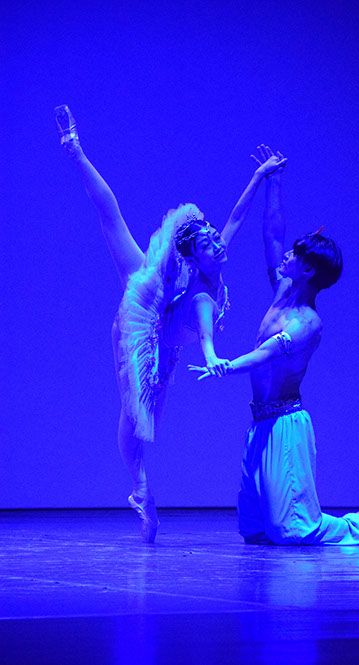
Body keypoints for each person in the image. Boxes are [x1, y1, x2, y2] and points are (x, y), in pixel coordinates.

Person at [55, 108, 286, 542]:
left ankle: (141, 487)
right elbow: (206, 334)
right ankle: (75, 149)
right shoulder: (201, 297)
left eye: (215, 239)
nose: (218, 244)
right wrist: (214, 359)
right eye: (208, 243)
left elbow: (235, 219)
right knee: (133, 414)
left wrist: (259, 176)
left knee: (148, 424)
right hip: (143, 326)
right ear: (194, 259)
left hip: (163, 326)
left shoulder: (210, 261)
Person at [189, 144, 359, 546]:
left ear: (307, 270)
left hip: (286, 426)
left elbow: (266, 353)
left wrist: (226, 365)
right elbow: (272, 233)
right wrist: (275, 181)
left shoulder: (307, 323)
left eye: (295, 255)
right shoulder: (284, 288)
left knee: (295, 531)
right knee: (254, 531)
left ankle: (356, 526)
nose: (284, 255)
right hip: (261, 423)